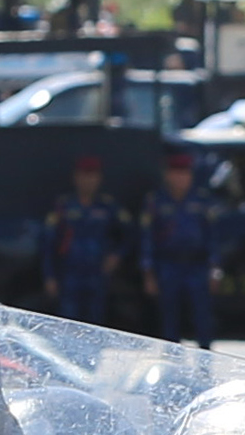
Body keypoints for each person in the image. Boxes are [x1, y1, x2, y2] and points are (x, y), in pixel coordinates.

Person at [42, 144, 132, 329]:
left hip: (97, 274)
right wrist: (49, 275)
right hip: (70, 274)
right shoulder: (64, 207)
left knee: (95, 325)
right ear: (76, 177)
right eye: (84, 175)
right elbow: (48, 243)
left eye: (92, 175)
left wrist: (116, 255)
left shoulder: (107, 207)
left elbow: (129, 234)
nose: (88, 181)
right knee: (69, 324)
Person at [145, 145, 225, 346]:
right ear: (167, 175)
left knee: (202, 319)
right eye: (176, 173)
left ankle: (204, 368)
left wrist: (215, 267)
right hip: (168, 265)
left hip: (197, 266)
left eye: (184, 173)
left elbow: (212, 237)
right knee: (169, 321)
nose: (180, 178)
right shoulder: (156, 202)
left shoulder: (201, 201)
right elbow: (147, 239)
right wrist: (148, 272)